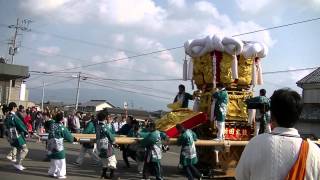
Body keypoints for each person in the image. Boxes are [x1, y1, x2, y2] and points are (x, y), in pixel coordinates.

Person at [235, 88, 320, 180]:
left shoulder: (254, 144)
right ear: (298, 115)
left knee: (258, 128)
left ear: (272, 114)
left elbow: (240, 176)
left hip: (260, 120)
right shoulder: (314, 151)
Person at [47, 112, 74, 179]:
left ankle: (52, 172)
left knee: (53, 159)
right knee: (61, 160)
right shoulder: (61, 127)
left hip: (50, 144)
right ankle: (60, 174)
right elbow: (69, 137)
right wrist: (73, 139)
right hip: (58, 145)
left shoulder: (52, 125)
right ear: (62, 119)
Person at [4, 102, 29, 171]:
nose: (16, 109)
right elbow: (20, 125)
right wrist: (26, 131)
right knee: (25, 149)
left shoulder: (8, 116)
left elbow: (5, 125)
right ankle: (18, 163)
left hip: (10, 135)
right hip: (16, 135)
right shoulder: (14, 116)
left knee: (18, 149)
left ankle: (16, 161)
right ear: (13, 108)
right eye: (15, 107)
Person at [96, 110, 117, 179]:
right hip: (106, 145)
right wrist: (114, 141)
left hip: (100, 145)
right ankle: (112, 175)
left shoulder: (98, 125)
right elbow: (110, 135)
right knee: (112, 160)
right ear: (105, 118)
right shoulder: (104, 127)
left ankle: (103, 174)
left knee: (104, 160)